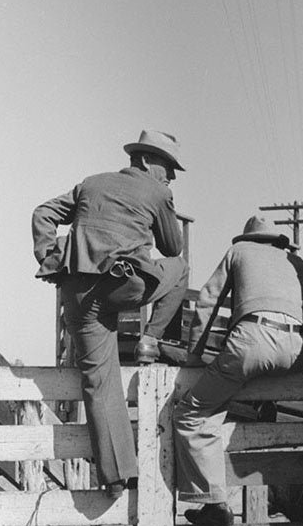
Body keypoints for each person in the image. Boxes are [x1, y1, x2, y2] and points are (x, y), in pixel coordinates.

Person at [32, 130, 189, 498]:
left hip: (78, 291)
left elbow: (43, 213)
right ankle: (151, 339)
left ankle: (117, 478)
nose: (171, 176)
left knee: (99, 380)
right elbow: (172, 247)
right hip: (123, 284)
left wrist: (50, 257)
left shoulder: (90, 183)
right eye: (168, 166)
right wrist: (162, 206)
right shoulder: (158, 192)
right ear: (147, 161)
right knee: (180, 268)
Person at [173, 215, 303, 526]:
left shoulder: (238, 252)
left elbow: (208, 301)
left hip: (253, 341)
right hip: (298, 349)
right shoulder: (295, 261)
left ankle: (212, 501)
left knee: (191, 413)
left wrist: (194, 354)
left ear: (248, 238)